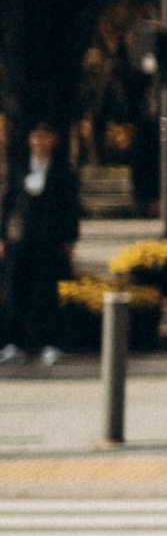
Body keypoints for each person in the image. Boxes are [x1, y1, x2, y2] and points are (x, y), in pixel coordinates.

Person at [1, 123, 80, 363]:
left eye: (45, 136)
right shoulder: (18, 169)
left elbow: (71, 208)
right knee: (15, 292)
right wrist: (3, 236)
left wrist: (70, 238)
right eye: (36, 136)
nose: (40, 141)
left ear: (54, 140)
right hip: (20, 239)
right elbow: (7, 204)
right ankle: (13, 343)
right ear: (29, 140)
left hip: (49, 241)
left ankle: (50, 343)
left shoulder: (62, 172)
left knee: (46, 293)